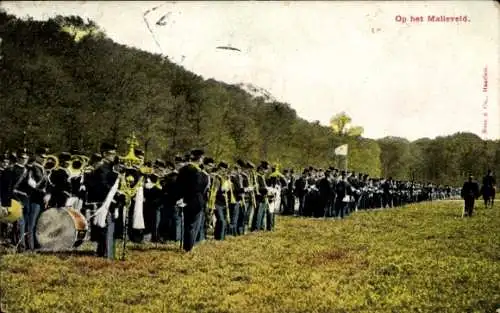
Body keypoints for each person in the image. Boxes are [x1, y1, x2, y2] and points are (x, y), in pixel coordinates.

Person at [175, 149, 209, 252]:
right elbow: (199, 186)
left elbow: (178, 185)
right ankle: (189, 247)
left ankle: (187, 245)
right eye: (202, 158)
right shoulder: (197, 172)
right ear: (199, 159)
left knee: (188, 224)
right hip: (195, 200)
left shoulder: (183, 170)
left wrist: (180, 198)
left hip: (185, 199)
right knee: (193, 225)